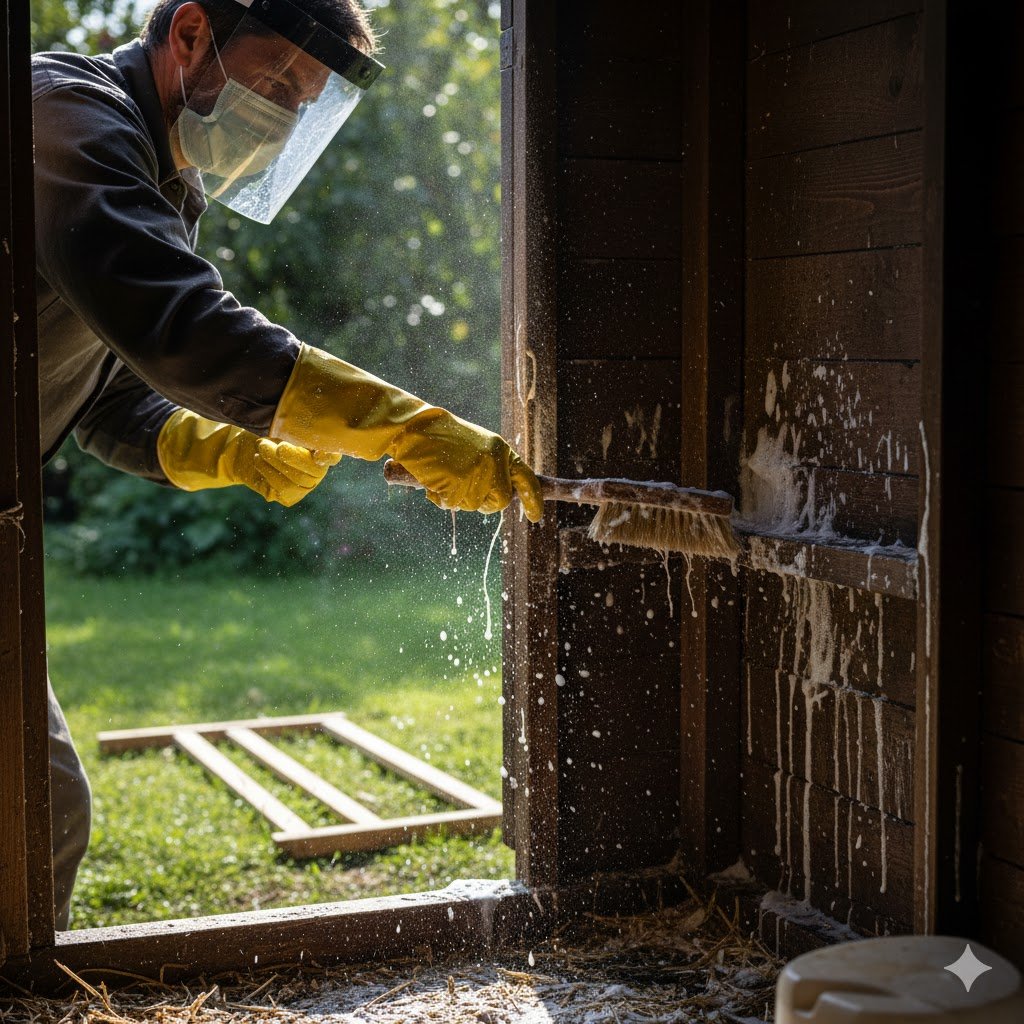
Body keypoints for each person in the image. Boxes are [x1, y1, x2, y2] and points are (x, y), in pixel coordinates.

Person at [32, 0, 542, 928]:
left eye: (302, 104)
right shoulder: (62, 118)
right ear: (190, 34)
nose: (283, 119)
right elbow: (180, 327)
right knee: (33, 817)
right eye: (275, 85)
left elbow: (100, 400)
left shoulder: (156, 174)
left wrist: (226, 451)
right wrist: (403, 429)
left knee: (37, 814)